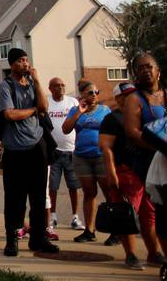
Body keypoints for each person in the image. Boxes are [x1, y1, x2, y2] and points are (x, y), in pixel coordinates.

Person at [124, 53, 167, 267]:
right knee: (165, 213)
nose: (146, 70)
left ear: (158, 70)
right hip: (155, 165)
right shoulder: (134, 99)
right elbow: (132, 132)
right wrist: (164, 148)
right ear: (135, 74)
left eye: (149, 66)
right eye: (140, 68)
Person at [0, 48, 58, 256]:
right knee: (14, 198)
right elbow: (9, 114)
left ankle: (38, 238)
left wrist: (39, 81)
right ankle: (12, 239)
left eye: (27, 60)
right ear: (12, 64)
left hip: (37, 147)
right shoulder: (6, 86)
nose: (25, 63)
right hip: (15, 150)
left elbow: (44, 106)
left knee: (38, 196)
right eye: (21, 60)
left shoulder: (33, 84)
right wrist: (33, 111)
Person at [100, 82, 162, 270]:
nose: (131, 98)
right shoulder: (112, 118)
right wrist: (111, 173)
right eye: (126, 95)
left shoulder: (140, 115)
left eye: (133, 94)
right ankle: (131, 255)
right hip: (125, 172)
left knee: (149, 216)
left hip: (146, 172)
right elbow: (105, 147)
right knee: (126, 215)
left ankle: (153, 253)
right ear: (118, 98)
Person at [62, 79, 115, 245]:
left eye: (96, 92)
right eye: (90, 92)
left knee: (109, 194)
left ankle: (116, 232)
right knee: (89, 194)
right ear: (82, 95)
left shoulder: (105, 111)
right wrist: (79, 111)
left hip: (101, 156)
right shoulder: (75, 110)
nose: (94, 95)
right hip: (81, 157)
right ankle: (89, 231)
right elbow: (66, 129)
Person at [47, 78, 84, 231]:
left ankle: (75, 217)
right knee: (52, 186)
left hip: (71, 150)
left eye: (63, 85)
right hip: (53, 152)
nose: (61, 87)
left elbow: (80, 122)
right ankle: (53, 217)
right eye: (57, 85)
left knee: (74, 186)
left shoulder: (72, 102)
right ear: (50, 88)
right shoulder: (47, 102)